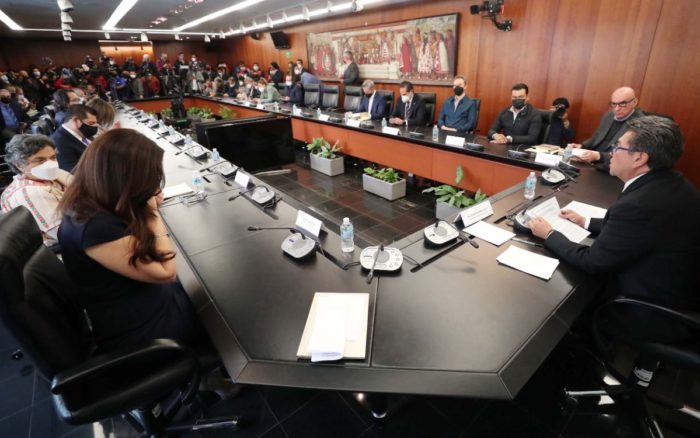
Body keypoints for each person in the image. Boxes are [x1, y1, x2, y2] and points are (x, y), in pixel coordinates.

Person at [529, 116, 700, 342]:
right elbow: (640, 229)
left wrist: (550, 234)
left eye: (617, 147)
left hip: (649, 311)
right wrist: (586, 222)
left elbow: (593, 262)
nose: (611, 153)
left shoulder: (639, 204)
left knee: (555, 305)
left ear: (639, 158)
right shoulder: (675, 184)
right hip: (681, 293)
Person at [57, 129, 204, 352]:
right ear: (126, 177)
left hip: (141, 303)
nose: (154, 183)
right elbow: (166, 272)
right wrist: (152, 213)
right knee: (223, 304)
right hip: (145, 329)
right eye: (149, 176)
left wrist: (140, 204)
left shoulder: (90, 202)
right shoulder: (95, 227)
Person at [1, 134, 72, 240]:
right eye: (40, 160)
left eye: (53, 157)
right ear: (19, 165)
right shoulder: (29, 193)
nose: (50, 164)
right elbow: (63, 234)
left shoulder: (52, 175)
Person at [570, 86, 644, 172]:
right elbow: (596, 137)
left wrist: (599, 156)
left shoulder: (641, 124)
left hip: (611, 168)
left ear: (634, 102)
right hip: (591, 162)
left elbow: (627, 156)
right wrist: (582, 146)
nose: (617, 109)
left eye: (622, 104)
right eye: (614, 104)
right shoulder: (608, 116)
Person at [51, 104, 99, 172]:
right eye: (91, 123)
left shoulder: (82, 133)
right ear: (76, 120)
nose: (95, 127)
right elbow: (73, 171)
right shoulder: (59, 142)